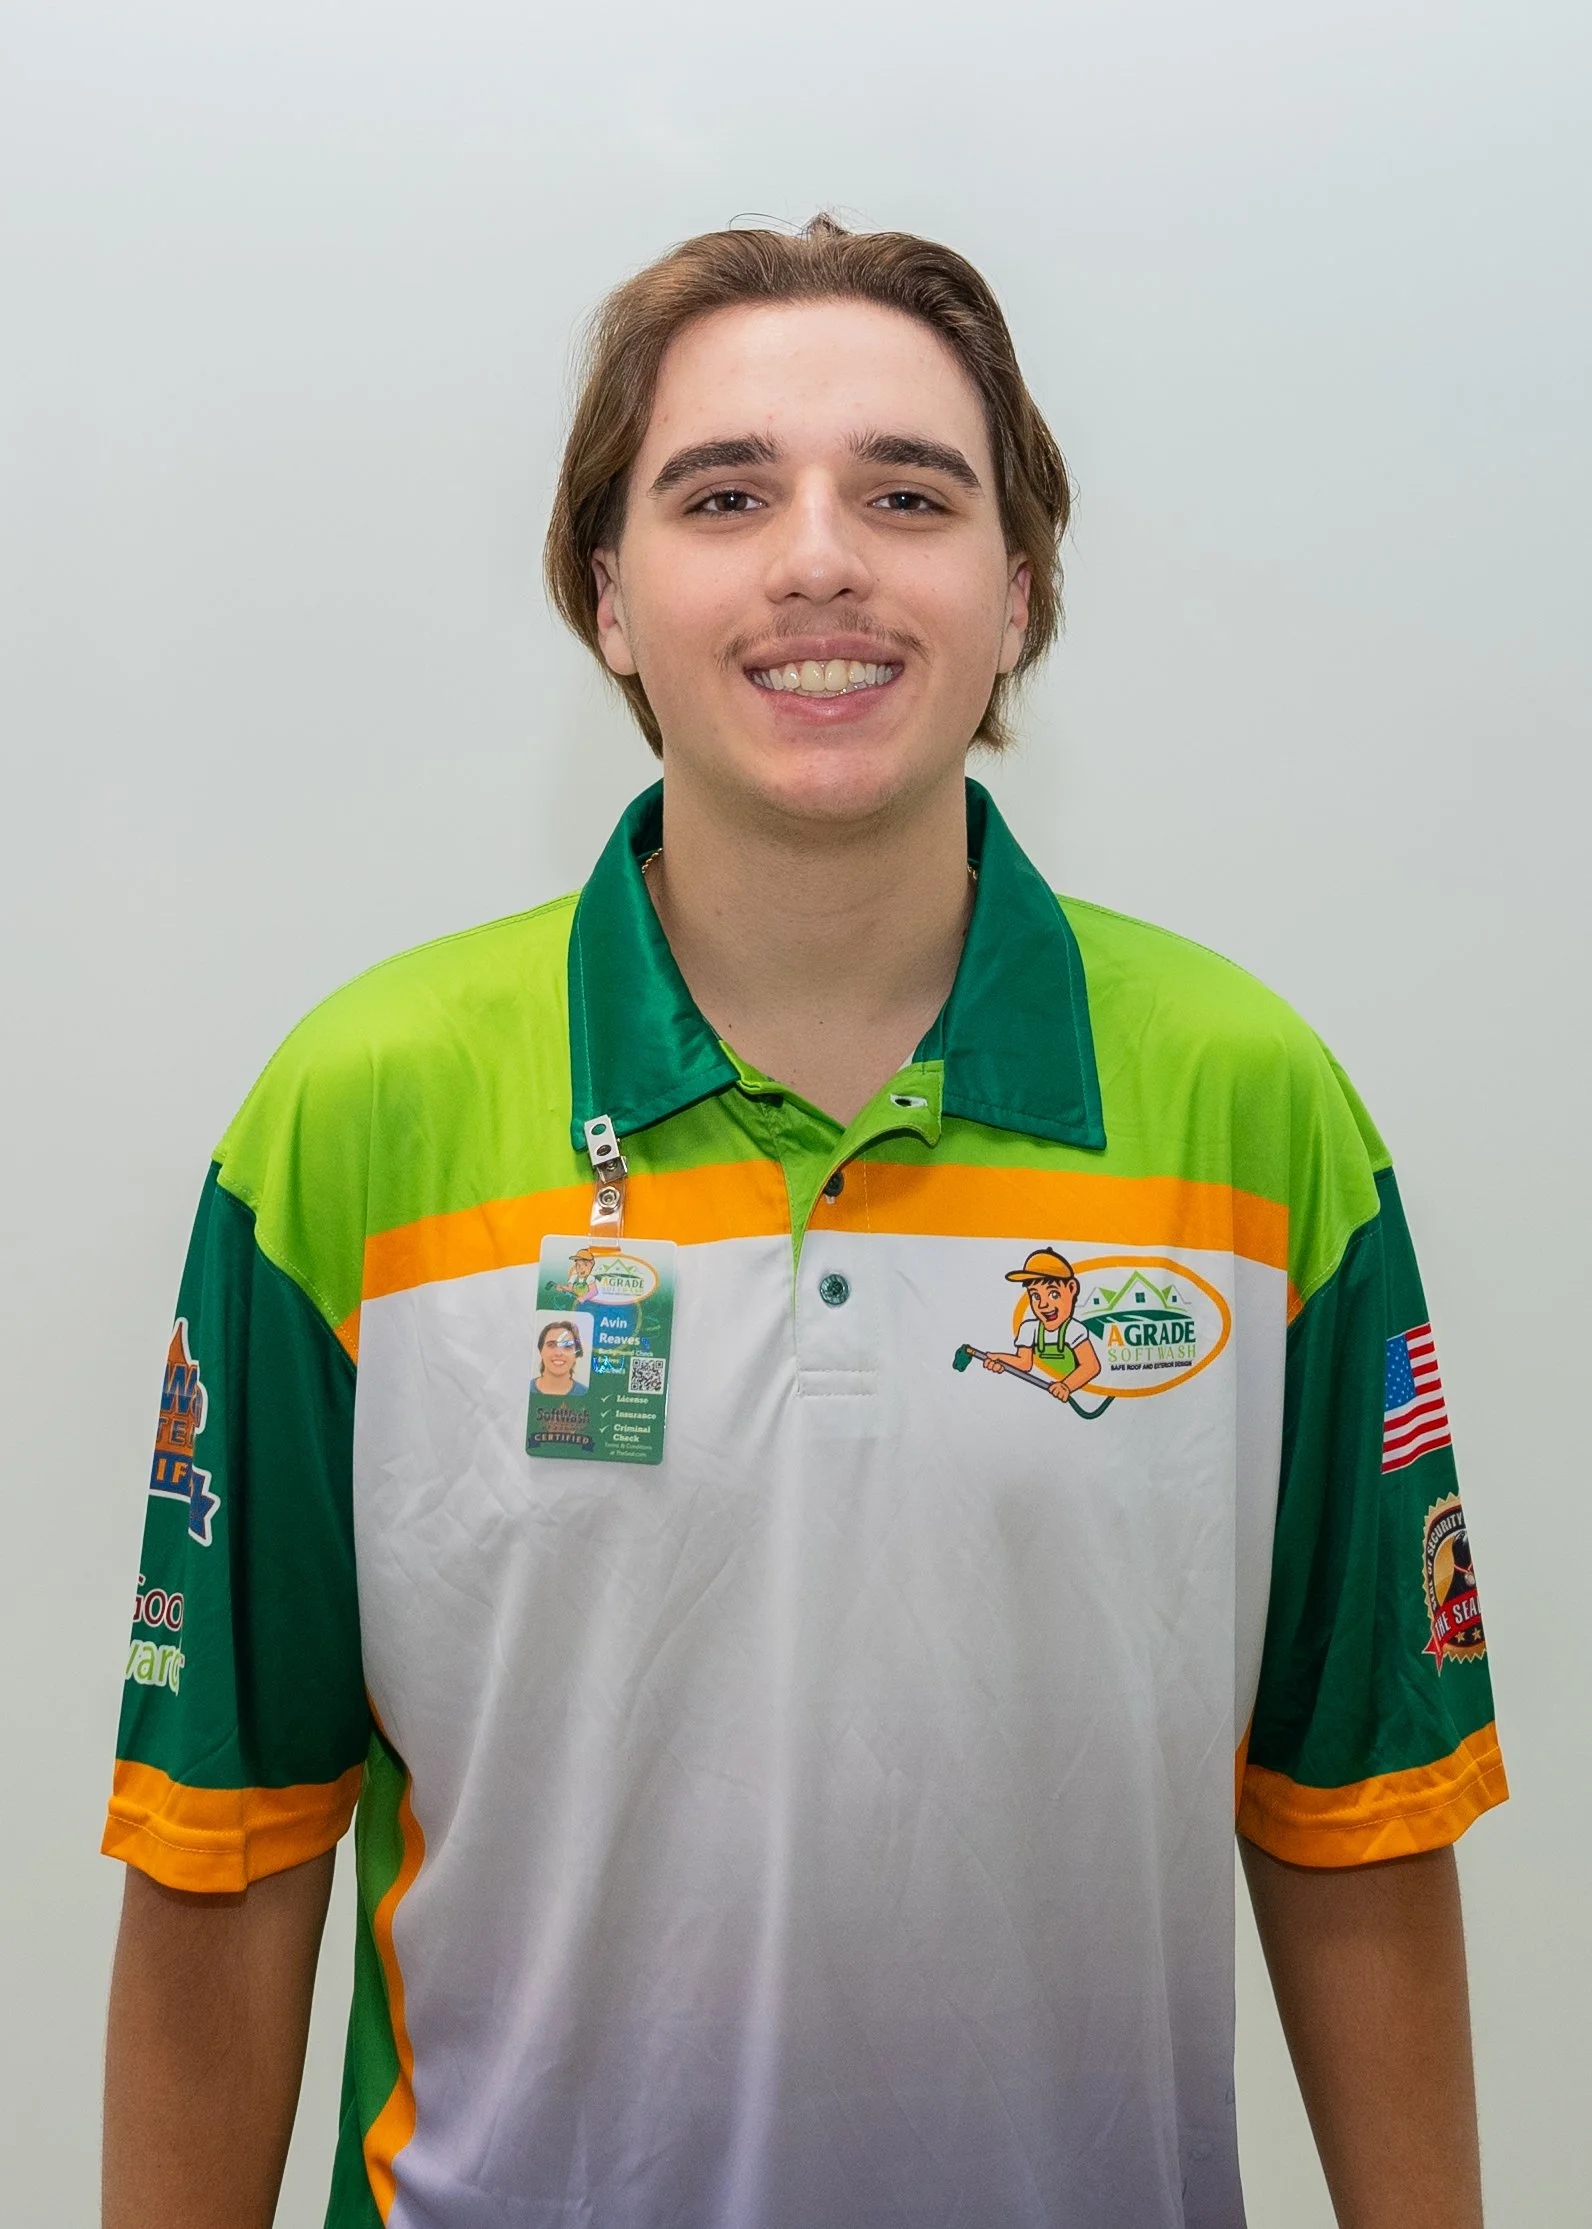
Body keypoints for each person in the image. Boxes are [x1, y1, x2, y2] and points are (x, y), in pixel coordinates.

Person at [102, 216, 1507, 2229]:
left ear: (1018, 590)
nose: (819, 558)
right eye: (725, 494)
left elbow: (1357, 1814)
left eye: (909, 494)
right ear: (609, 596)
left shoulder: (1255, 1112)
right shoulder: (352, 1120)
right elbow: (221, 1843)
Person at [980, 1244, 1103, 1401]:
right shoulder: (1029, 1329)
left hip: (1078, 1394)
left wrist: (1066, 1386)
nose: (1043, 1304)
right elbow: (1024, 1363)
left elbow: (1091, 1366)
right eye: (1036, 1296)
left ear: (1072, 1288)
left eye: (1053, 1294)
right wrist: (1000, 1360)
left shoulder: (1073, 1330)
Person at [531, 1318, 586, 1399]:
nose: (558, 1353)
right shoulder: (523, 1389)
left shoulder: (586, 1394)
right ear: (541, 1351)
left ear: (576, 1354)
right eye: (551, 1345)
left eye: (567, 1346)